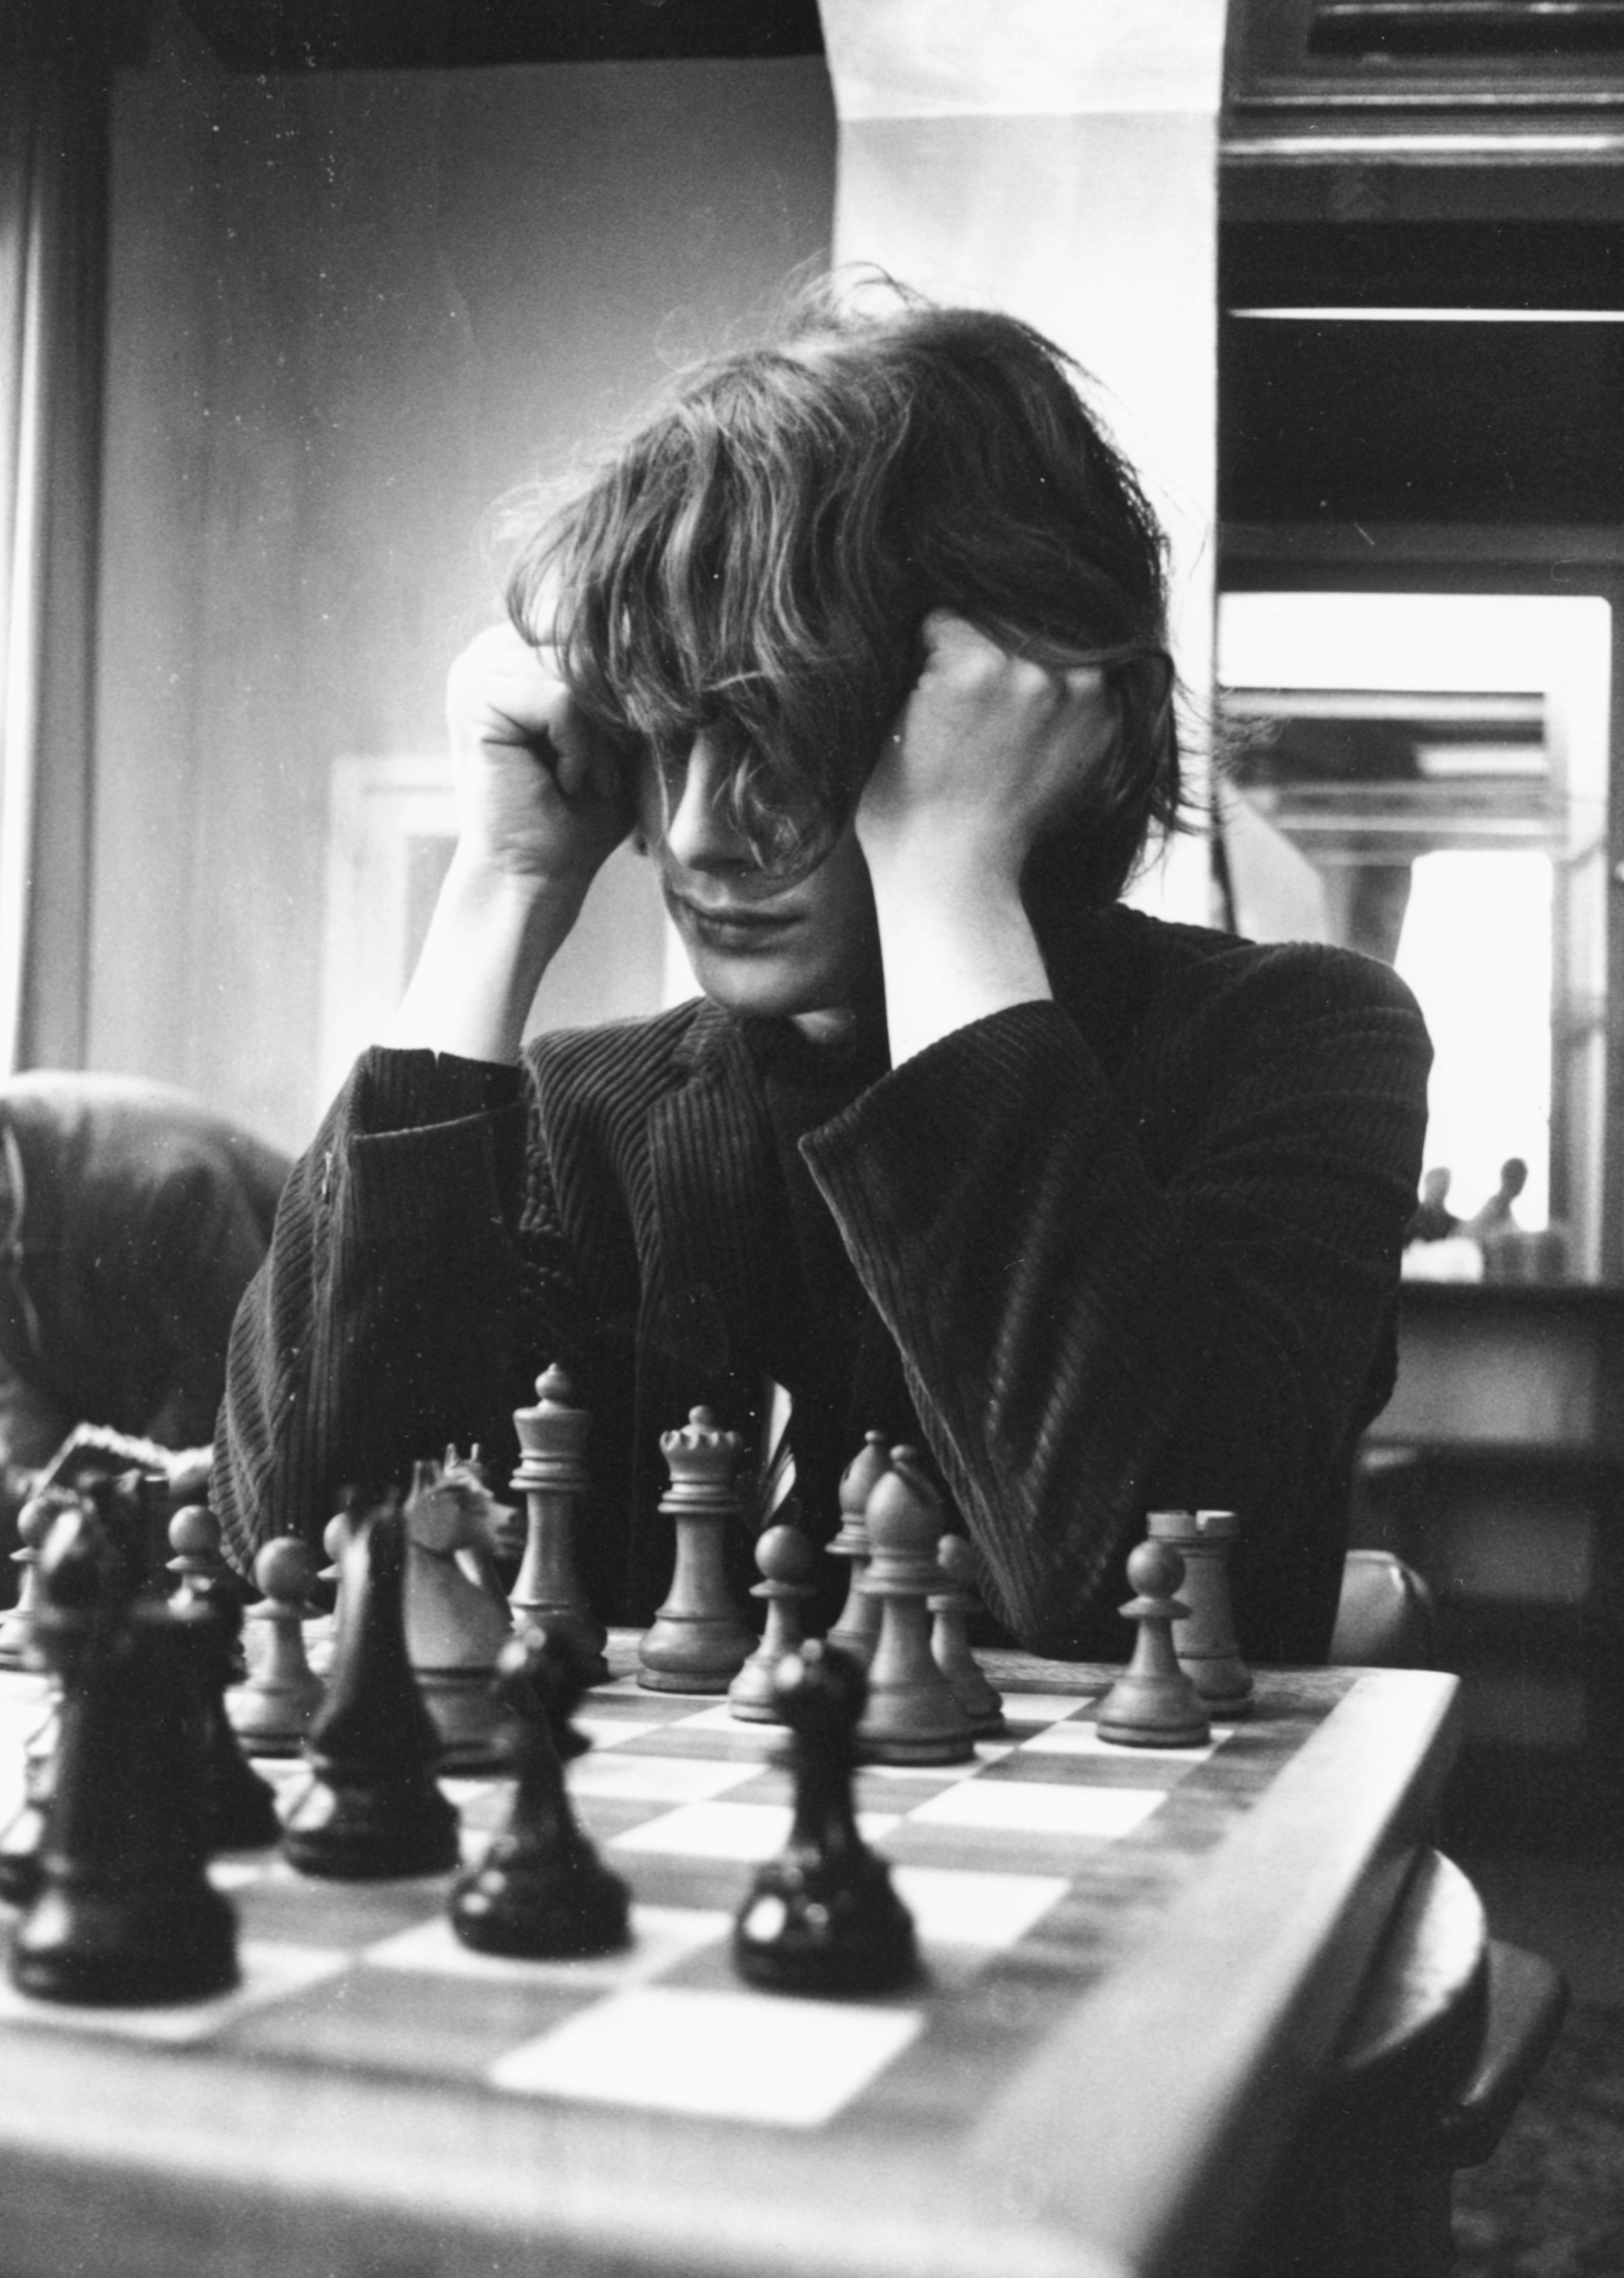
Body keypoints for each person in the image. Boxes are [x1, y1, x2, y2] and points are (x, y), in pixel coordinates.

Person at [215, 284, 1430, 1664]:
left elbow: (1132, 1577)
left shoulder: (1296, 1038)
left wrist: (947, 872)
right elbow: (308, 1563)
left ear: (1004, 715)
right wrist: (502, 886)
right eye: (666, 733)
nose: (692, 832)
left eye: (792, 730)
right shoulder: (591, 1110)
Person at [0, 1070, 288, 1510]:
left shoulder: (151, 1185)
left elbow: (235, 1374)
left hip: (286, 1411)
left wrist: (112, 1502)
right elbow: (31, 1384)